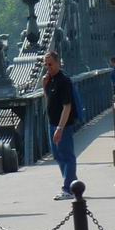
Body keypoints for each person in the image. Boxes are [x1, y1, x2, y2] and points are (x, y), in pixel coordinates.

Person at [43, 51, 78, 200]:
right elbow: (49, 100)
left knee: (67, 155)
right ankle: (74, 185)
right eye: (46, 64)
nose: (47, 67)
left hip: (62, 125)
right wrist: (44, 85)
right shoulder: (50, 80)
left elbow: (67, 106)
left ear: (58, 63)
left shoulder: (64, 81)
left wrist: (60, 128)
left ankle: (68, 188)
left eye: (50, 64)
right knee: (58, 155)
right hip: (53, 123)